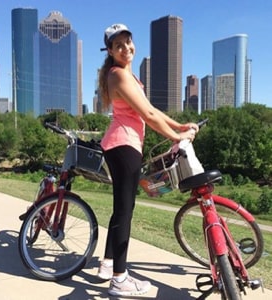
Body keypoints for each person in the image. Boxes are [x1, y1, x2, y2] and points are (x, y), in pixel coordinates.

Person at [97, 23, 199, 297]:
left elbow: (152, 109)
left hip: (123, 146)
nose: (125, 48)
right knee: (125, 212)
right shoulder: (118, 76)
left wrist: (179, 126)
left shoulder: (128, 76)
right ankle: (119, 279)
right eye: (118, 45)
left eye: (127, 41)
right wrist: (178, 139)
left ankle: (108, 264)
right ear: (110, 51)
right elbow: (149, 117)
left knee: (123, 209)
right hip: (122, 146)